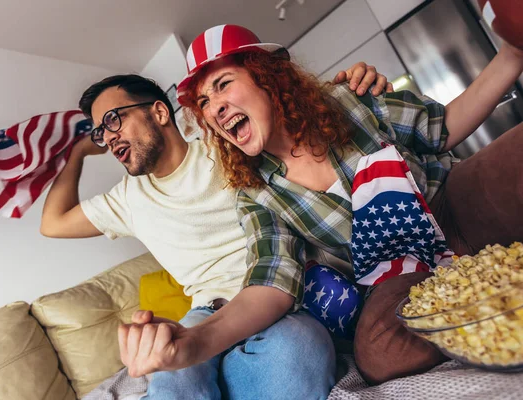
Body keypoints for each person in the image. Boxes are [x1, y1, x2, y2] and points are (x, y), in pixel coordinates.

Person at [176, 24, 523, 384]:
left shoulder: (348, 98)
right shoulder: (254, 194)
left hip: (453, 206)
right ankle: (484, 296)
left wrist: (511, 56)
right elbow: (272, 281)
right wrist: (197, 340)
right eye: (203, 102)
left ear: (267, 77)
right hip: (398, 274)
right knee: (382, 354)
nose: (214, 107)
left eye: (223, 84)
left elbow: (441, 128)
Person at [40, 64, 391, 397]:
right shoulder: (126, 199)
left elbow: (291, 117)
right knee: (169, 366)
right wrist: (77, 155)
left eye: (114, 119)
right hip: (203, 315)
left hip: (279, 301)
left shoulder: (228, 147)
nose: (108, 137)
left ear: (160, 113)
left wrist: (358, 84)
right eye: (100, 132)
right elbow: (52, 223)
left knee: (300, 350)